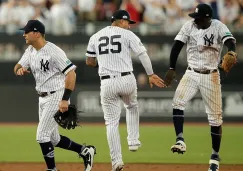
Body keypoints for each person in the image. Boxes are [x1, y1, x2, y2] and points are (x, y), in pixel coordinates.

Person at [85, 10, 166, 171]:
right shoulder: (127, 35)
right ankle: (133, 141)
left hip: (107, 82)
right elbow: (142, 54)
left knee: (111, 123)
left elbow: (89, 61)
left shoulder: (95, 36)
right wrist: (150, 74)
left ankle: (116, 162)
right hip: (126, 78)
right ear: (120, 21)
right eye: (128, 22)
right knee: (132, 106)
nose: (129, 25)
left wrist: (101, 62)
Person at [13, 20, 96, 171]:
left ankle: (52, 169)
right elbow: (18, 65)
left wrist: (64, 99)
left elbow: (71, 73)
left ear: (37, 33)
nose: (24, 34)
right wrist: (19, 69)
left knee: (42, 136)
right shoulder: (30, 50)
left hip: (56, 95)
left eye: (27, 31)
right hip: (42, 97)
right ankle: (85, 151)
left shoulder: (53, 51)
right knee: (53, 139)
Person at [164, 3, 237, 171]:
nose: (195, 20)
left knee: (215, 119)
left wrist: (231, 52)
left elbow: (230, 41)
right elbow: (176, 46)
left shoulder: (218, 26)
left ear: (207, 18)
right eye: (194, 17)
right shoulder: (189, 26)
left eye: (198, 18)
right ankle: (180, 140)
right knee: (177, 103)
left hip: (211, 75)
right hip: (191, 72)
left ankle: (214, 159)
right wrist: (171, 68)